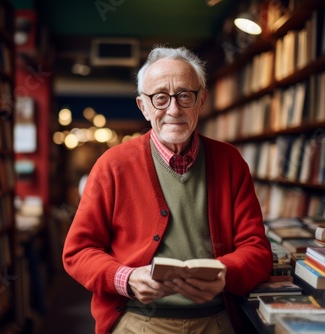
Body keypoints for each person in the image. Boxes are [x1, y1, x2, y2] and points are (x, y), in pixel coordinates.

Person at [62, 46, 273, 334]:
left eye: (185, 95)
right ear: (143, 107)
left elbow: (258, 250)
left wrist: (226, 273)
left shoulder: (230, 161)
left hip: (217, 318)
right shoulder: (112, 165)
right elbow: (78, 252)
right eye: (160, 98)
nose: (174, 109)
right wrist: (126, 278)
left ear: (202, 100)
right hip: (136, 320)